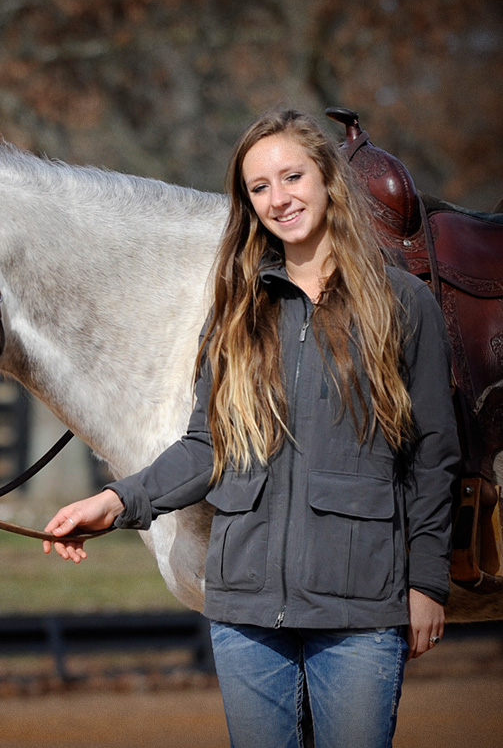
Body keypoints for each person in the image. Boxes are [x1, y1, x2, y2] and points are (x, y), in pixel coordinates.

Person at [43, 109, 460, 748]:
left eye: (291, 176)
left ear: (327, 180)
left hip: (359, 615)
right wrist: (115, 501)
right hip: (244, 616)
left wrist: (426, 582)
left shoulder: (403, 305)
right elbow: (207, 448)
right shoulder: (236, 314)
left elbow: (432, 458)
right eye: (258, 187)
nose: (278, 198)